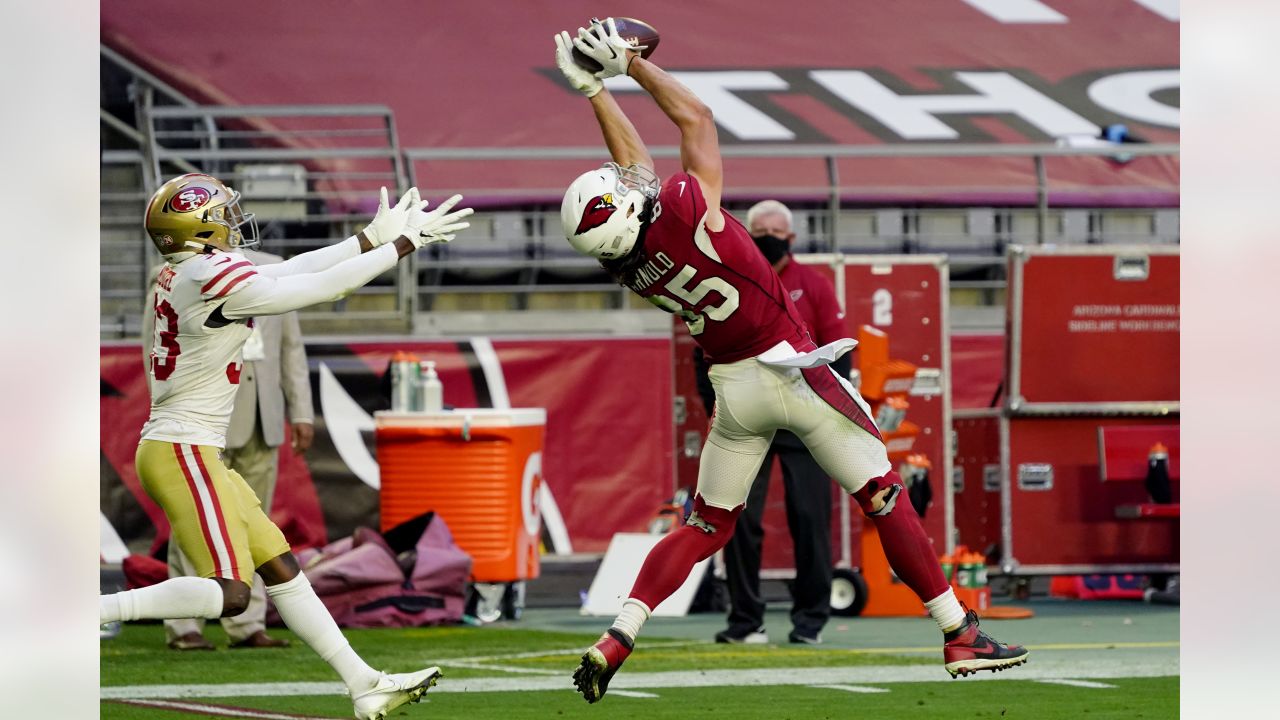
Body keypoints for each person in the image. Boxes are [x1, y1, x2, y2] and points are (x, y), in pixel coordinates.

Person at [553, 19, 1028, 703]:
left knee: (705, 524)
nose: (626, 182)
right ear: (628, 210)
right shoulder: (686, 208)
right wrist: (631, 67)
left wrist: (594, 91)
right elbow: (697, 119)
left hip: (733, 390)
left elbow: (632, 175)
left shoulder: (630, 264)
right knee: (883, 496)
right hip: (793, 370)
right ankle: (958, 630)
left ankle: (619, 632)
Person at [100, 173, 472, 720]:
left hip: (189, 447)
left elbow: (289, 270)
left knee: (279, 566)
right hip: (183, 450)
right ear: (196, 231)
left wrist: (366, 240)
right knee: (229, 592)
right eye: (220, 217)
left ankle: (364, 683)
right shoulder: (207, 276)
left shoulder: (185, 270)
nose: (231, 224)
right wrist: (401, 246)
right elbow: (321, 288)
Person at [143, 248, 315, 651]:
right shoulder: (177, 274)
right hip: (201, 418)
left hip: (261, 414)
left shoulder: (272, 266)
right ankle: (184, 624)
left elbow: (291, 347)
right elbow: (155, 351)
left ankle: (248, 623)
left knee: (256, 523)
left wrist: (301, 410)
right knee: (194, 519)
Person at [692, 200, 846, 646]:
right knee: (735, 517)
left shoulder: (814, 285)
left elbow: (840, 351)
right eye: (757, 229)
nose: (766, 236)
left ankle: (810, 621)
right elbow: (703, 351)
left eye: (774, 230)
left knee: (810, 518)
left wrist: (833, 411)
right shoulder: (732, 278)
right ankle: (745, 619)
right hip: (750, 417)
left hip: (804, 415)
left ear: (792, 237)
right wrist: (719, 409)